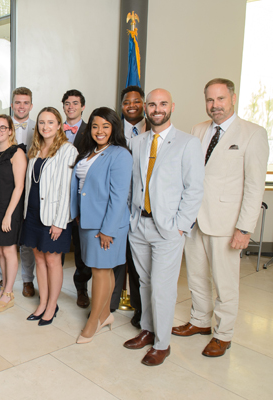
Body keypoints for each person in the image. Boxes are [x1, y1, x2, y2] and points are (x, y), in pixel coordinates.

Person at [174, 78, 269, 357]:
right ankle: (200, 321)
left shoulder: (253, 133)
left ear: (233, 98)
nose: (214, 106)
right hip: (194, 219)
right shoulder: (198, 129)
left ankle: (223, 334)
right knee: (196, 276)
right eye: (210, 100)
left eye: (220, 99)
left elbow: (254, 186)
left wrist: (244, 228)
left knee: (225, 283)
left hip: (227, 224)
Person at [124, 89, 204, 366]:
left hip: (168, 229)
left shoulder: (188, 143)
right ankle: (147, 329)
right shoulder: (138, 142)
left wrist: (180, 225)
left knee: (162, 287)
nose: (157, 109)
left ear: (171, 107)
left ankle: (162, 343)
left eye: (163, 104)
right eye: (153, 104)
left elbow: (194, 189)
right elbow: (133, 183)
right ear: (146, 108)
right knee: (144, 282)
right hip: (139, 224)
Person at [70, 107, 132, 343]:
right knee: (104, 270)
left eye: (106, 126)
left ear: (114, 128)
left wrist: (107, 229)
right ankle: (105, 315)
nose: (100, 131)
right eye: (95, 126)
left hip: (106, 224)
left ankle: (93, 322)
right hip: (87, 222)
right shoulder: (89, 152)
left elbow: (119, 197)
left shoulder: (120, 154)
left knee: (100, 271)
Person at [20, 107, 77, 326]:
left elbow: (66, 190)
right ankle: (42, 302)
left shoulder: (67, 150)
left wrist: (60, 222)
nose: (45, 127)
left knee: (53, 261)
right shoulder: (35, 148)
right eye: (42, 123)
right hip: (33, 215)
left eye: (50, 122)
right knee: (39, 260)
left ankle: (52, 305)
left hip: (54, 217)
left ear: (59, 125)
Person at [114, 85, 151, 328]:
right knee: (115, 260)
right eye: (128, 102)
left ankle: (139, 309)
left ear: (144, 104)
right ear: (122, 105)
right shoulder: (111, 128)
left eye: (137, 101)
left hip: (142, 207)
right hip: (116, 204)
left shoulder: (155, 130)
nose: (132, 105)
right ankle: (110, 303)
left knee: (139, 264)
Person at [0, 87, 37, 298]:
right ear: (12, 104)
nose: (21, 106)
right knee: (3, 243)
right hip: (6, 191)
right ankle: (5, 279)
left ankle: (27, 279)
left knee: (24, 240)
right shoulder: (1, 128)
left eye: (25, 102)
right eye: (17, 102)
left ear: (31, 105)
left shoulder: (40, 128)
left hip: (30, 188)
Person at [0, 114, 26, 312]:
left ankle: (8, 292)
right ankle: (4, 288)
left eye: (3, 127)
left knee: (9, 250)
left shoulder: (17, 153)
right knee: (0, 250)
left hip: (9, 208)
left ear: (11, 130)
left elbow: (19, 187)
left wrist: (9, 214)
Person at [61, 89, 91, 309]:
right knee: (55, 245)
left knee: (81, 249)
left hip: (81, 198)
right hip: (58, 197)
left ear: (82, 107)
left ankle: (81, 288)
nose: (71, 107)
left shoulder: (92, 131)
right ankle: (52, 287)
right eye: (67, 103)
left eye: (75, 103)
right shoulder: (52, 128)